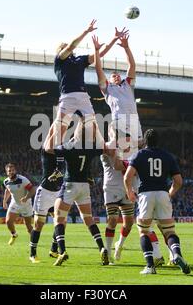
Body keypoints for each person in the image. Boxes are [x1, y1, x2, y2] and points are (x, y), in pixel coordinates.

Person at [45, 20, 128, 152]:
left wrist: (114, 39)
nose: (68, 48)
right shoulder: (59, 60)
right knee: (59, 134)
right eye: (64, 47)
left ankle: (75, 144)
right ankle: (51, 159)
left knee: (93, 130)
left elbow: (99, 54)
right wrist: (86, 31)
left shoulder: (79, 59)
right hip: (68, 97)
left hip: (83, 97)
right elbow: (71, 46)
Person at [124, 129, 191, 275]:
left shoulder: (139, 155)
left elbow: (127, 177)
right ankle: (176, 254)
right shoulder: (167, 156)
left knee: (144, 231)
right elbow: (178, 181)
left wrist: (129, 192)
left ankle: (150, 266)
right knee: (169, 231)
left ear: (145, 141)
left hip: (145, 195)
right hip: (162, 194)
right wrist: (169, 194)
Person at [45, 119, 110, 266]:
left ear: (75, 133)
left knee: (59, 217)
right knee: (88, 219)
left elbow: (48, 148)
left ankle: (62, 251)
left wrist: (54, 130)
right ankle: (101, 248)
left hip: (70, 185)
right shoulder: (90, 147)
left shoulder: (69, 146)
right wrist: (96, 128)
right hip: (84, 187)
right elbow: (105, 148)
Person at [92, 33, 141, 159]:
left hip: (134, 121)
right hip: (120, 122)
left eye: (118, 75)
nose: (117, 76)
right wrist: (97, 52)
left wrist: (126, 47)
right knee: (121, 152)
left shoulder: (128, 84)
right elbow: (98, 69)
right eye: (114, 76)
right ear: (109, 80)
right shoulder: (107, 88)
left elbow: (132, 66)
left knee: (137, 151)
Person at [29, 149, 64, 263]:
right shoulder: (47, 154)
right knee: (39, 224)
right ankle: (32, 254)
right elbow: (49, 145)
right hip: (44, 193)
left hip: (57, 193)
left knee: (62, 222)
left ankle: (53, 250)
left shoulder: (64, 157)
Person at [2, 163, 36, 246]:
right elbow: (8, 190)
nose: (11, 172)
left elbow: (32, 190)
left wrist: (26, 197)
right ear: (7, 172)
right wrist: (4, 201)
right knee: (8, 222)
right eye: (9, 171)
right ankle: (14, 235)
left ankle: (34, 242)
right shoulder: (6, 181)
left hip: (26, 204)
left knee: (28, 227)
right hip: (15, 203)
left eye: (13, 170)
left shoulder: (23, 180)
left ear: (15, 171)